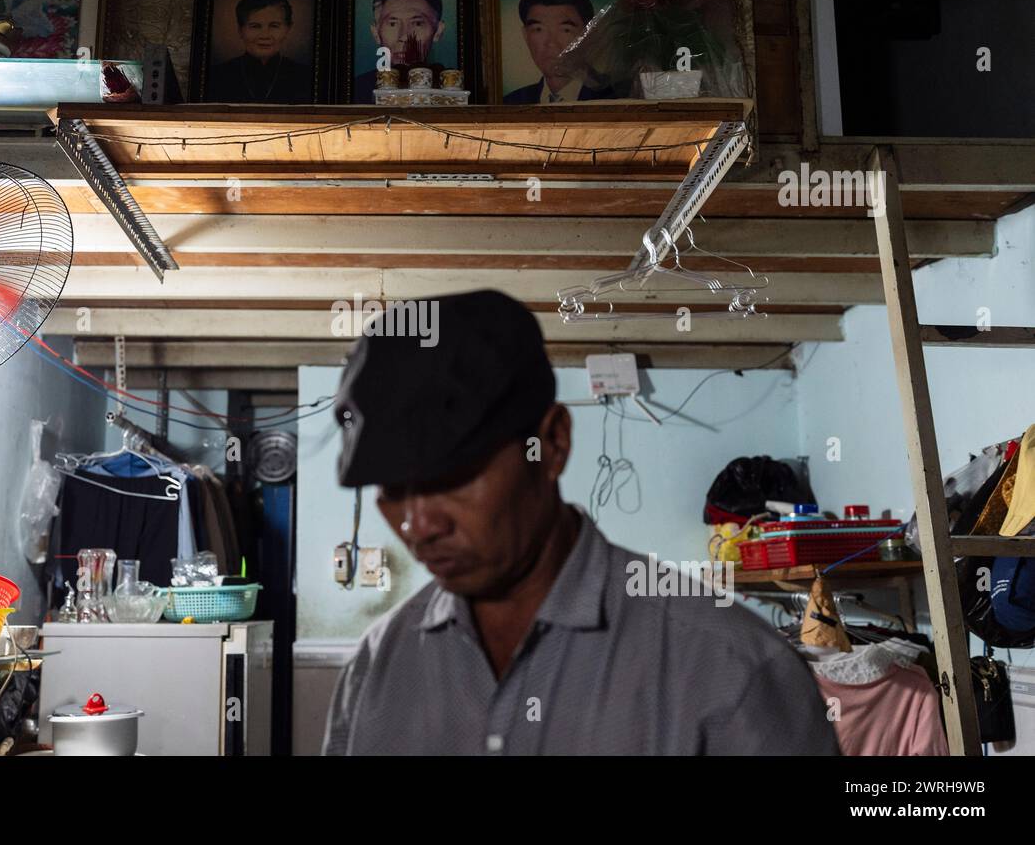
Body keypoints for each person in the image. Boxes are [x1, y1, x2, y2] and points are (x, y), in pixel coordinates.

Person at [322, 289, 841, 755]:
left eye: (452, 476)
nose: (418, 525)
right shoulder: (375, 670)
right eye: (392, 489)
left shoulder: (731, 668)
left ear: (551, 445)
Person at [502, 0, 617, 104]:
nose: (551, 43)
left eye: (565, 30)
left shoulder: (616, 99)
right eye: (538, 29)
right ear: (525, 35)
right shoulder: (512, 103)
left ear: (588, 35)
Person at [206, 0, 313, 104]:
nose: (265, 35)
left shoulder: (305, 76)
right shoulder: (217, 76)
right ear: (240, 30)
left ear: (288, 29)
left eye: (274, 26)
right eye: (255, 26)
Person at [352, 0, 447, 104]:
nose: (404, 36)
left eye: (417, 23)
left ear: (438, 31)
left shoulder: (451, 87)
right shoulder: (357, 90)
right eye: (392, 24)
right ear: (376, 32)